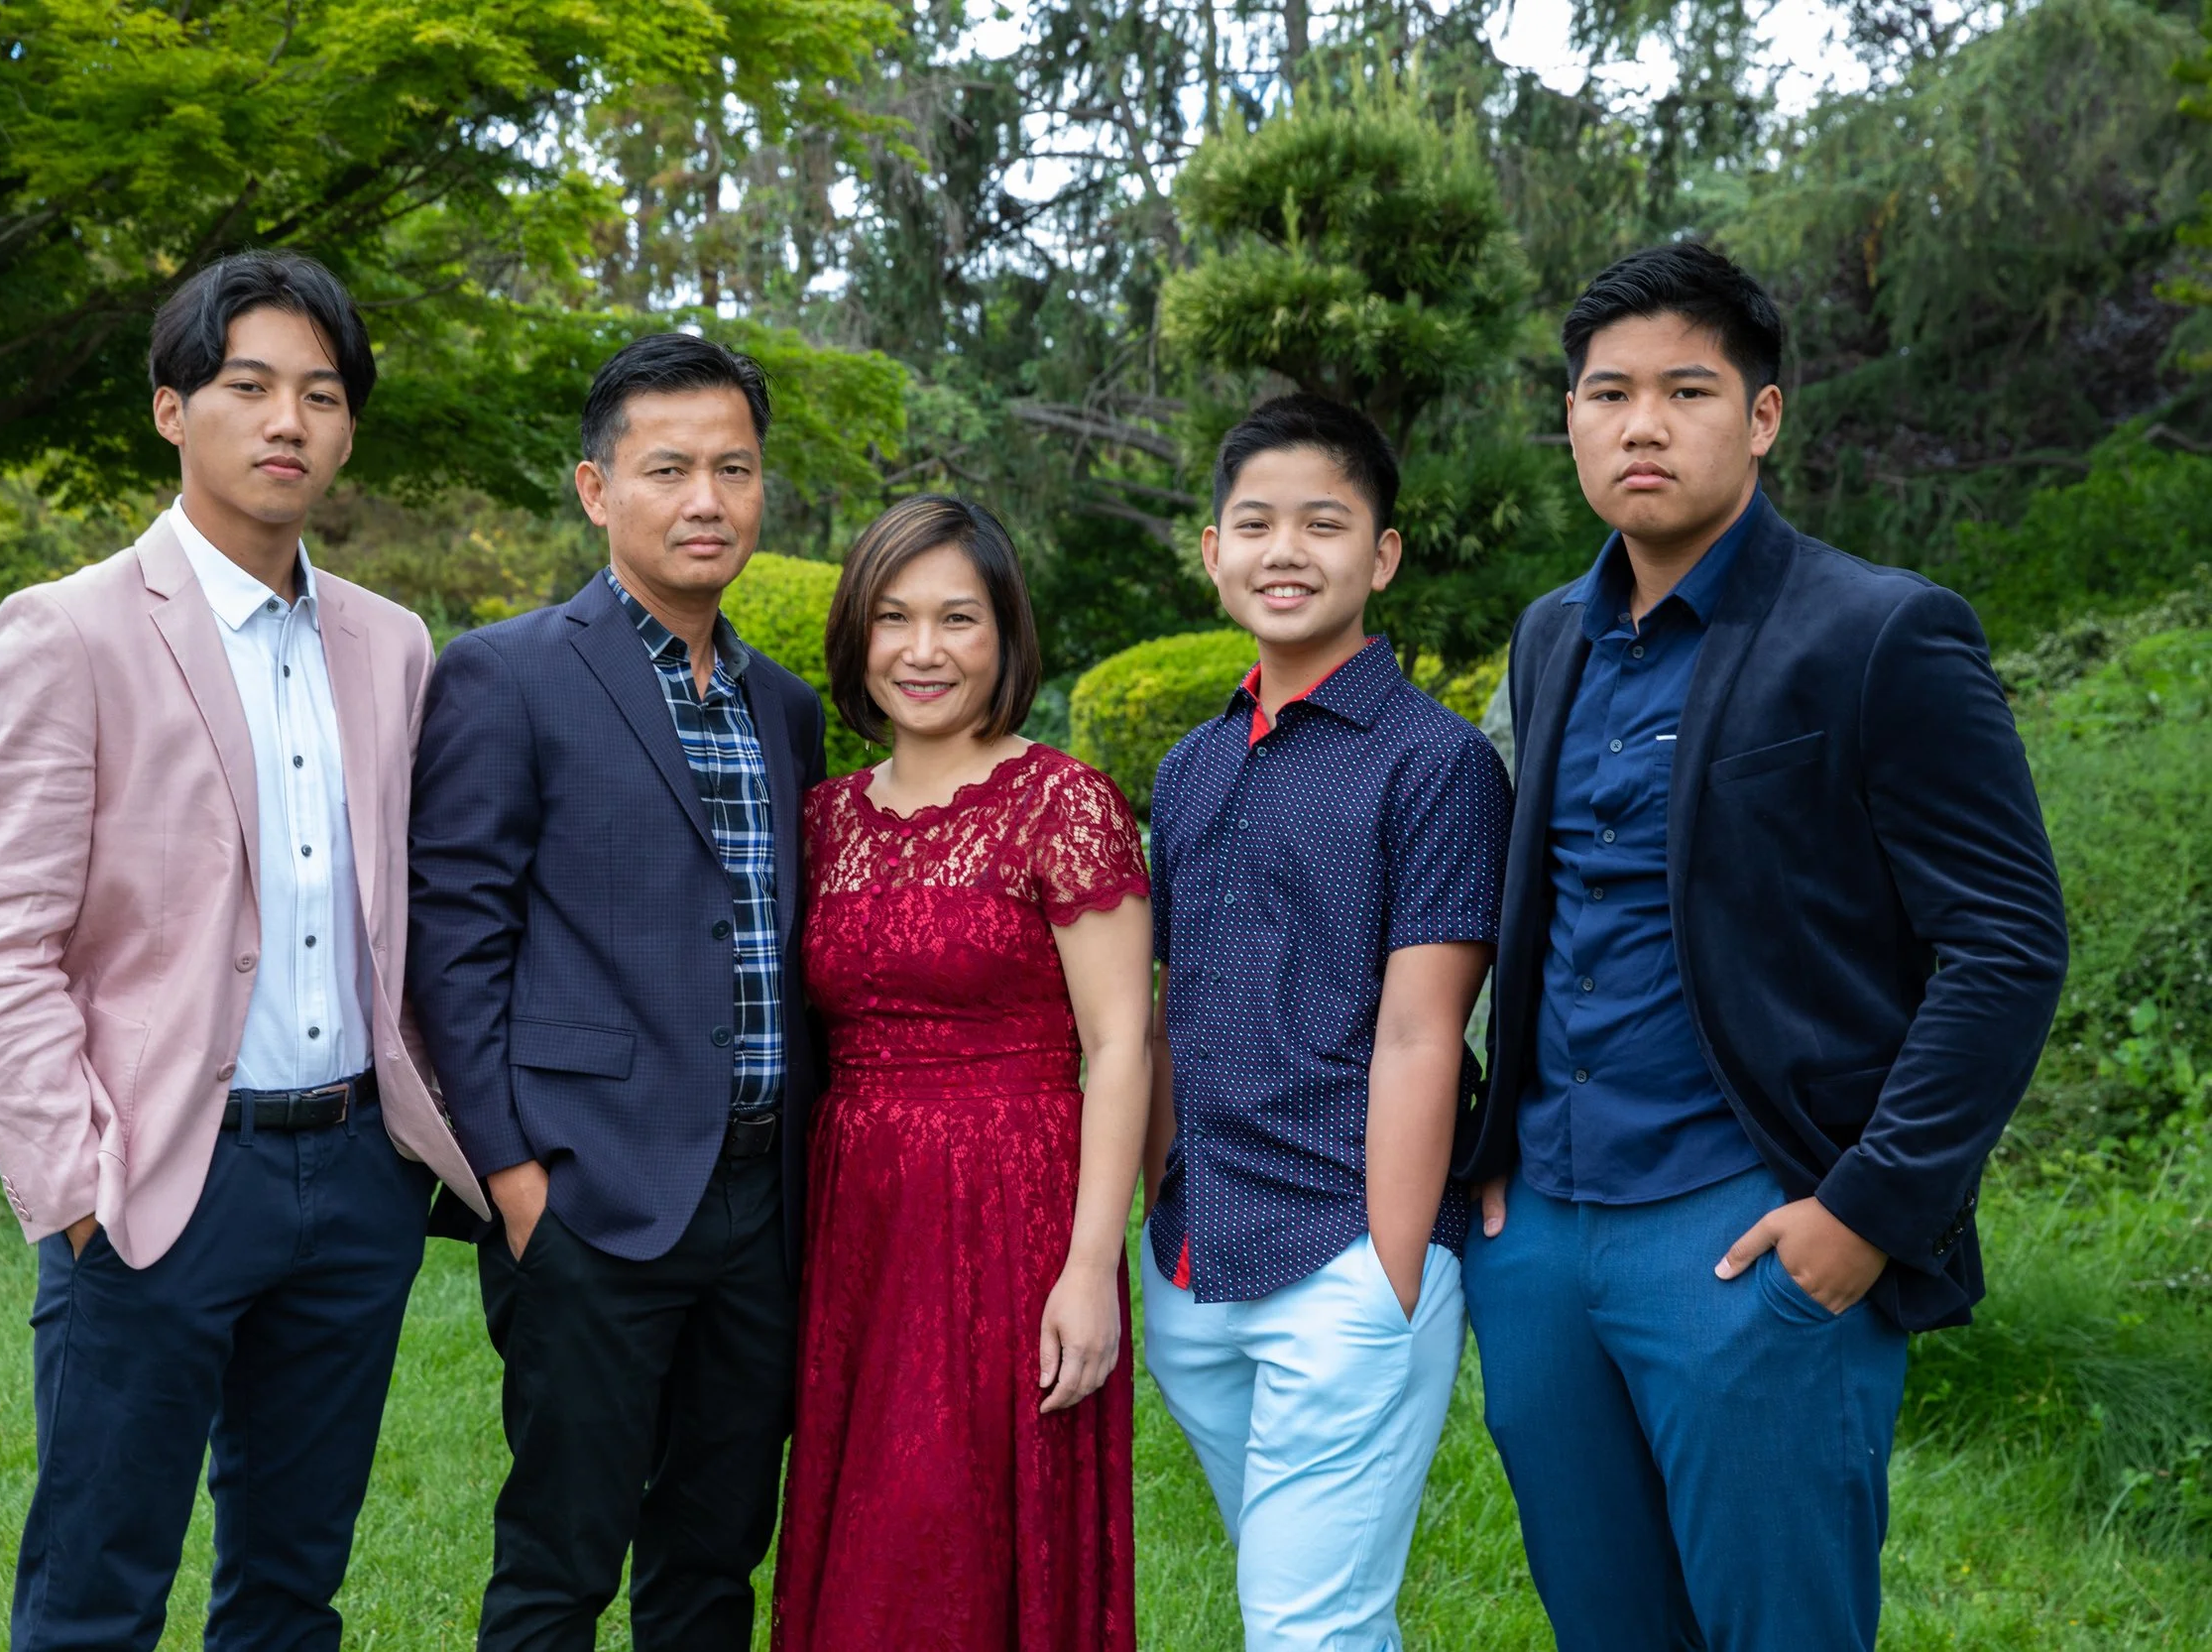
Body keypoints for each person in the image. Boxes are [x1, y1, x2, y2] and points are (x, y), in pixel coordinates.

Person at [1458, 242, 2069, 1651]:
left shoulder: (1878, 632)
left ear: (1766, 414)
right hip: (1543, 1240)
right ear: (1570, 421)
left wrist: (1866, 1212)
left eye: (1687, 388)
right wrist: (1493, 1173)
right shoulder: (1553, 634)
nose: (1643, 424)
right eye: (1607, 393)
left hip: (1747, 1230)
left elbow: (2005, 941)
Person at [0, 250, 487, 1650]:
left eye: (319, 393)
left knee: (291, 1591)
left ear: (351, 426)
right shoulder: (68, 632)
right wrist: (77, 1186)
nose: (286, 421)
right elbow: (4, 936)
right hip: (156, 1178)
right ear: (171, 407)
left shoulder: (392, 643)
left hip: (355, 1181)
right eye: (247, 386)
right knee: (95, 1591)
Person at [405, 330, 828, 1651]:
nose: (706, 499)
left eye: (734, 468)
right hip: (591, 1200)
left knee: (712, 1563)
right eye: (668, 469)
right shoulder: (509, 673)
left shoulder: (788, 707)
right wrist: (516, 1182)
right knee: (559, 1563)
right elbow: (452, 943)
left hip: (765, 1208)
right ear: (598, 490)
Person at [1140, 393, 1513, 1651]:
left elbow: (1423, 1033)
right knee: (1319, 1615)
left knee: (1306, 1623)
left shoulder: (1438, 762)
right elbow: (1164, 1012)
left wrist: (1392, 1274)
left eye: (1322, 523)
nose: (1284, 550)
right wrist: (1157, 1210)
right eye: (1254, 523)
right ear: (1212, 551)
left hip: (1344, 1257)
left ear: (1382, 555)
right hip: (1194, 1260)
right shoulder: (1191, 766)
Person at [769, 496, 1154, 1652]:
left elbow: (1122, 1042)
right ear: (855, 637)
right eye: (892, 618)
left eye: (956, 618)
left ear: (1005, 635)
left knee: (978, 1523)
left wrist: (1091, 1267)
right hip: (859, 1222)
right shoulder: (823, 820)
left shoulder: (1061, 802)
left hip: (1015, 1213)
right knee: (871, 1528)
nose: (923, 650)